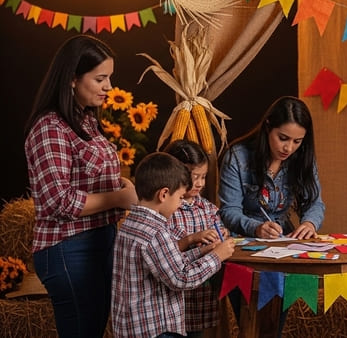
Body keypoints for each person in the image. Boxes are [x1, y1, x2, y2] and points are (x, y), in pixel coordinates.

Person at [24, 34, 138, 338]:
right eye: (100, 78)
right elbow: (58, 202)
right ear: (73, 78)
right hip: (68, 247)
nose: (109, 87)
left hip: (98, 242)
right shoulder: (50, 127)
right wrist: (118, 197)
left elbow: (88, 178)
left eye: (109, 78)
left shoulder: (86, 120)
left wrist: (121, 184)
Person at [218, 96, 326, 337]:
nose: (289, 148)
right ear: (267, 126)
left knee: (272, 327)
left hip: (282, 248)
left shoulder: (301, 158)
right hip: (242, 248)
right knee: (250, 325)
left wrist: (309, 222)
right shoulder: (237, 156)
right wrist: (256, 228)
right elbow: (228, 211)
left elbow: (316, 202)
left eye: (298, 141)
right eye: (283, 138)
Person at [111, 152, 236, 338]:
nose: (179, 205)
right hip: (156, 329)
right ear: (163, 194)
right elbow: (181, 278)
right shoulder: (156, 232)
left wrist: (202, 251)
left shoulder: (131, 225)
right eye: (179, 198)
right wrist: (216, 257)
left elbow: (165, 262)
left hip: (133, 327)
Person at [164, 139, 229, 338]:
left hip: (200, 295)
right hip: (175, 297)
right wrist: (193, 239)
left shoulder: (208, 208)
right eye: (194, 177)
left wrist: (223, 235)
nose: (200, 183)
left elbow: (221, 230)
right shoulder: (167, 209)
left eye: (203, 177)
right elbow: (164, 250)